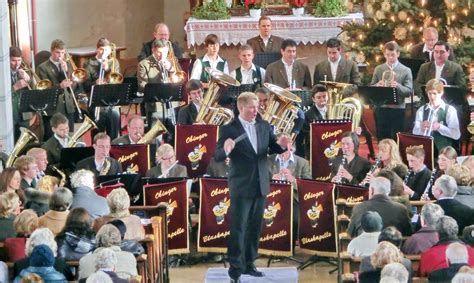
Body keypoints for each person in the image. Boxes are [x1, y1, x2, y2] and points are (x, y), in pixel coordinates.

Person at [214, 92, 287, 282]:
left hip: (261, 183)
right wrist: (227, 149)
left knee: (255, 227)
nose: (256, 110)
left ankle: (249, 263)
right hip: (241, 185)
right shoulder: (229, 129)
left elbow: (271, 147)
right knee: (238, 228)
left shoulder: (263, 126)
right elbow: (218, 155)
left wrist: (282, 146)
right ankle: (235, 270)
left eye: (257, 107)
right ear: (241, 108)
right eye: (251, 107)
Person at [36, 39, 84, 139]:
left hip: (68, 105)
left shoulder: (68, 65)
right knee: (52, 137)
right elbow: (44, 90)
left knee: (69, 135)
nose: (60, 56)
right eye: (57, 52)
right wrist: (59, 86)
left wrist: (66, 71)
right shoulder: (43, 67)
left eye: (62, 53)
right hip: (53, 107)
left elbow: (74, 86)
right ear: (52, 51)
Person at [371, 41, 413, 140]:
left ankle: (396, 156)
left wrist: (397, 85)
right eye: (387, 55)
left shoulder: (406, 70)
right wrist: (377, 85)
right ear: (384, 54)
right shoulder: (379, 69)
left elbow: (409, 91)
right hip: (382, 108)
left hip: (398, 109)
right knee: (382, 136)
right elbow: (371, 87)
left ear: (398, 54)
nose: (390, 58)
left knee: (396, 137)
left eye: (393, 55)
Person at [347, 177, 412, 237]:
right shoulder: (401, 209)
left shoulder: (359, 208)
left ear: (371, 190)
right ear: (388, 191)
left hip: (366, 248)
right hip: (391, 248)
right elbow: (408, 234)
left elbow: (350, 234)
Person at [84, 37, 121, 139]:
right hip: (96, 104)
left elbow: (117, 80)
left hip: (111, 103)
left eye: (107, 50)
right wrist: (95, 83)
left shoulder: (114, 62)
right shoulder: (89, 63)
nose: (104, 52)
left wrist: (107, 69)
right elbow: (85, 85)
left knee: (114, 135)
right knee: (97, 136)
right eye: (102, 49)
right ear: (97, 49)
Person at [413, 79, 461, 153]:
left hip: (445, 151)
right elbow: (415, 132)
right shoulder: (421, 110)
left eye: (435, 93)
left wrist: (439, 127)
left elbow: (456, 135)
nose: (432, 97)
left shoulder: (450, 110)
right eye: (429, 93)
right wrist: (421, 129)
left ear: (441, 93)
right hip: (426, 150)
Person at [137, 38, 176, 126]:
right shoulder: (144, 64)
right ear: (153, 50)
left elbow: (179, 80)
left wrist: (171, 69)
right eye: (159, 52)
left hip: (172, 104)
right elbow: (142, 86)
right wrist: (159, 89)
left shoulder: (172, 61)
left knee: (174, 135)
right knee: (156, 136)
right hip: (155, 106)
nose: (162, 56)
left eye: (165, 52)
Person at [9, 46, 33, 140]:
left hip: (24, 115)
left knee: (23, 142)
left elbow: (33, 91)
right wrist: (15, 87)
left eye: (19, 60)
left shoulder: (23, 72)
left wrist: (29, 80)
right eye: (13, 60)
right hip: (11, 114)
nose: (16, 64)